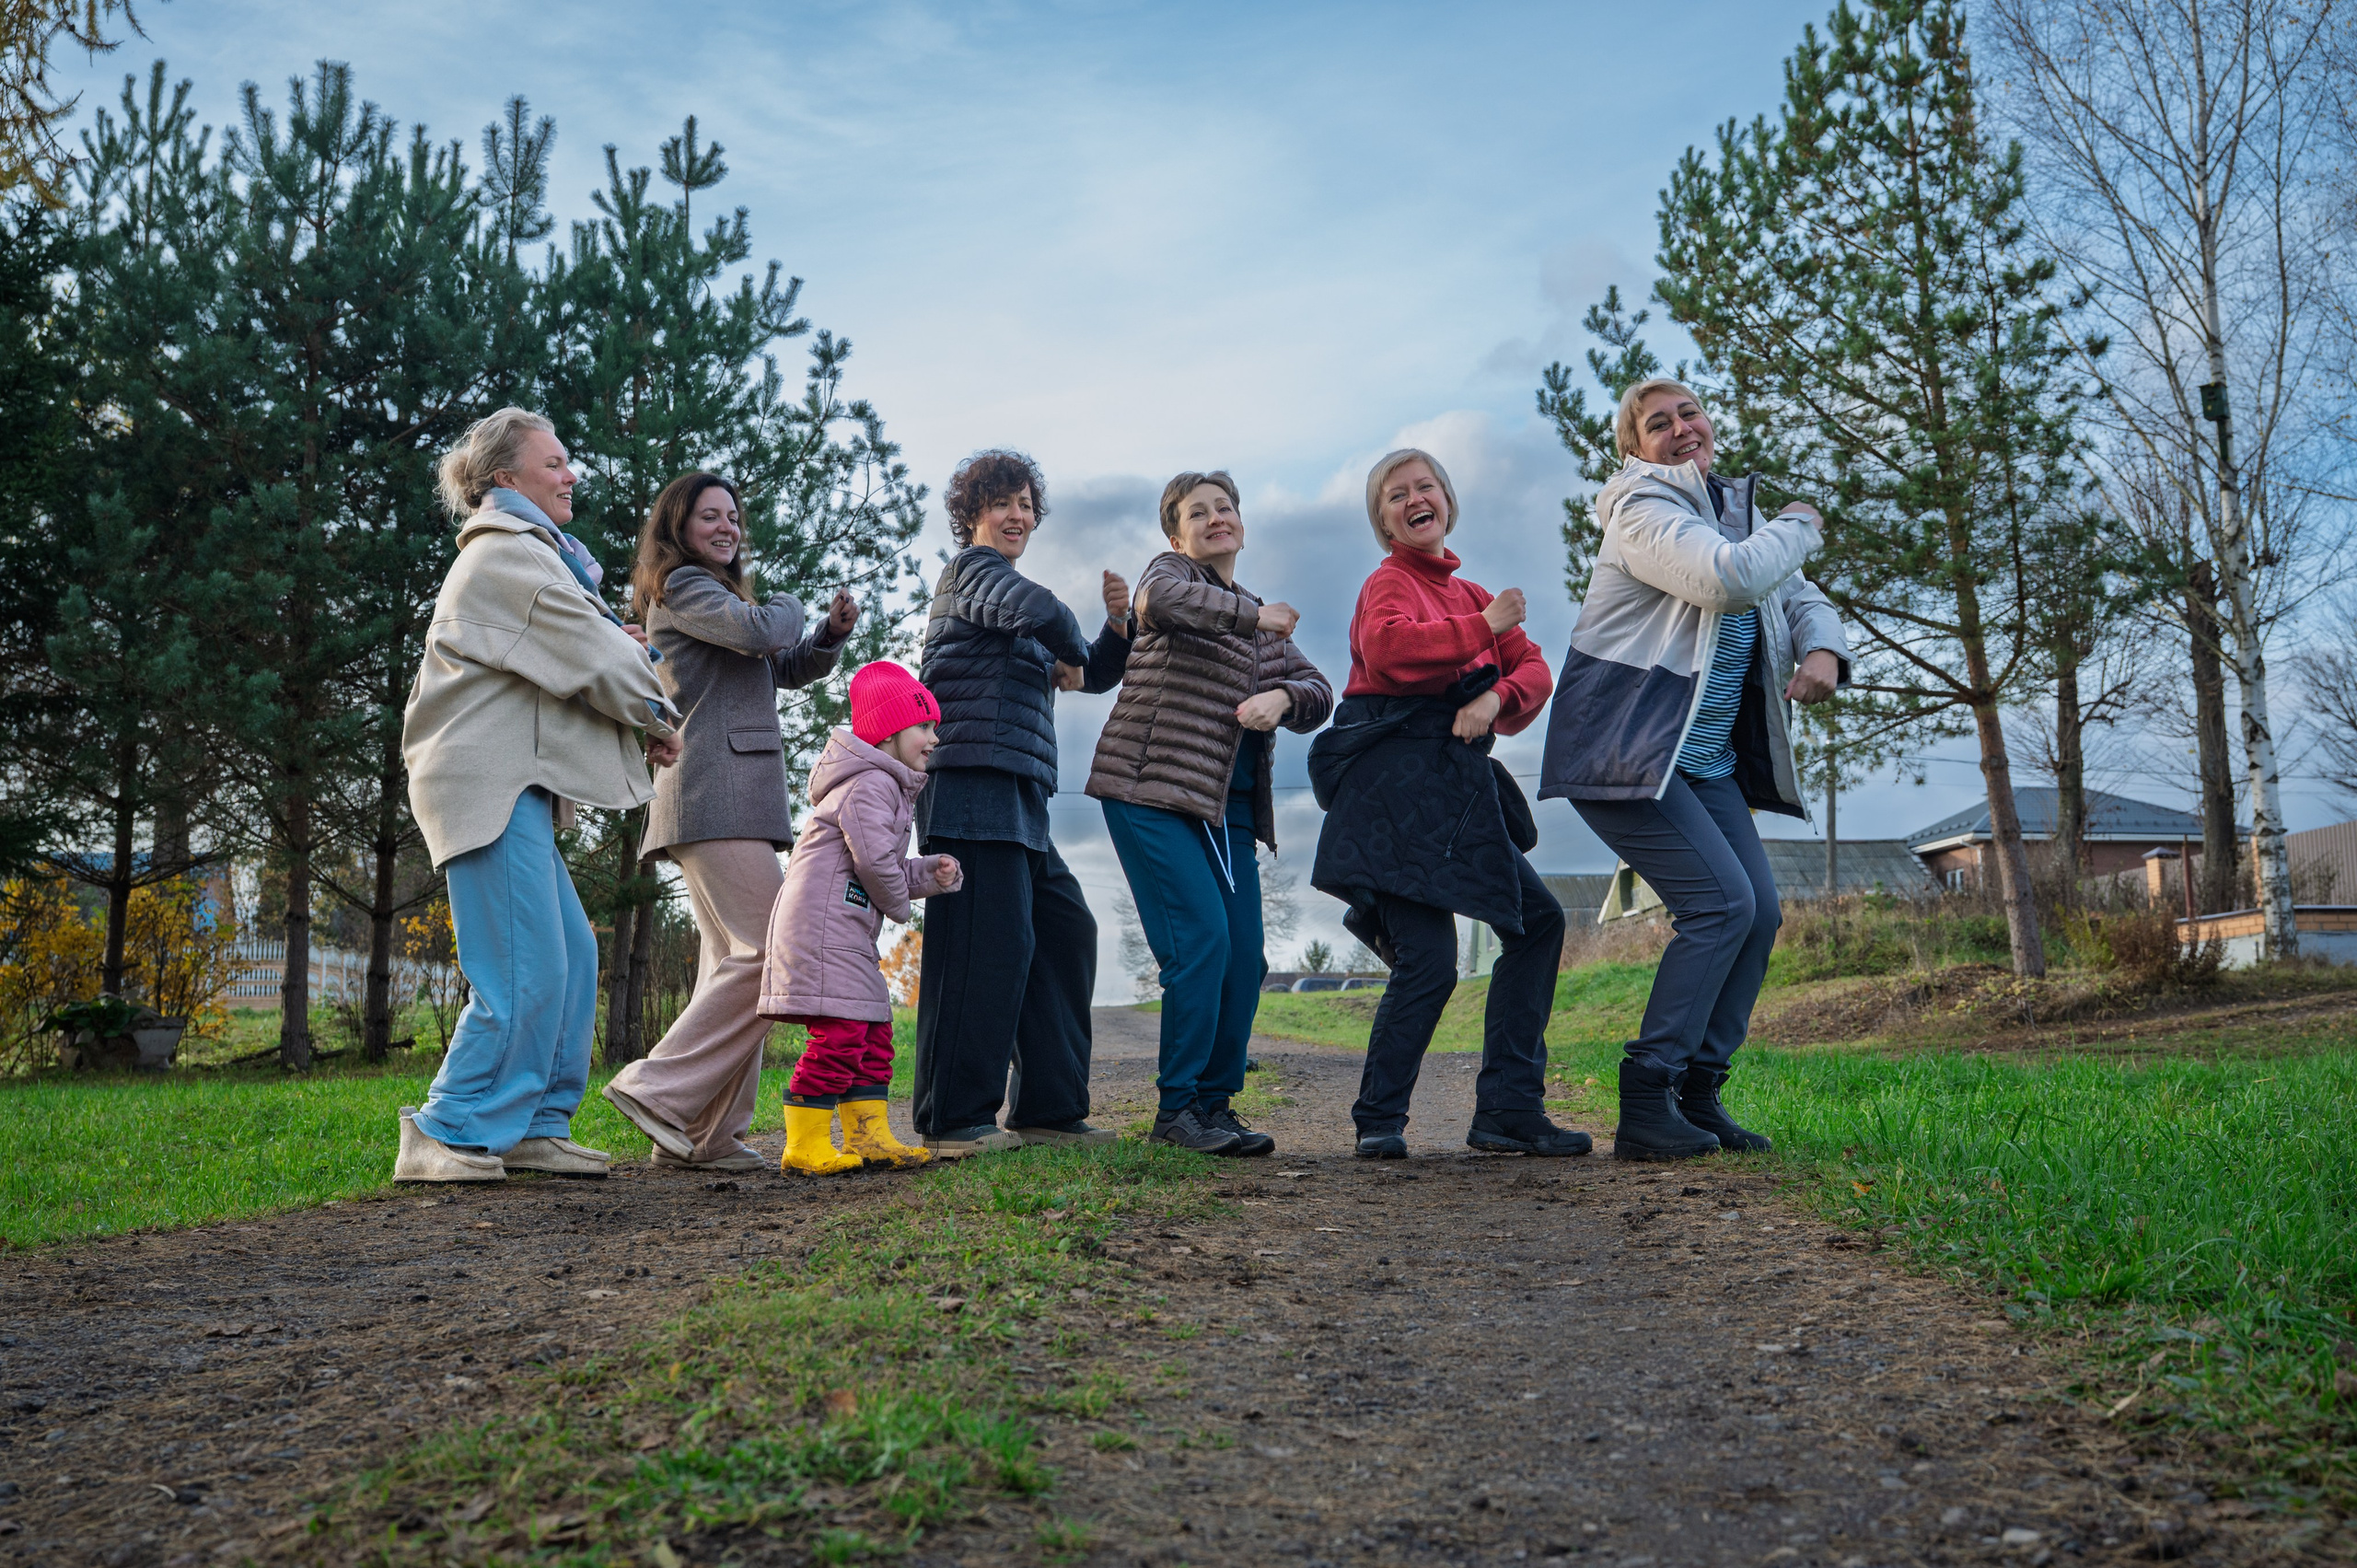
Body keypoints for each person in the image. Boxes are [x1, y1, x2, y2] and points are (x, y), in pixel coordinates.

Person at [1538, 378, 1848, 1160]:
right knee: (1719, 905)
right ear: (1635, 450)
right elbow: (1728, 578)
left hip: (1702, 764)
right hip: (1623, 752)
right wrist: (1800, 521)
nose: (1680, 428)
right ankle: (1648, 1094)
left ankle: (1699, 1092)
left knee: (1759, 913)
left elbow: (1796, 594)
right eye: (1658, 423)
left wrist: (1822, 648)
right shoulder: (1640, 508)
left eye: (1690, 413)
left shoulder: (1734, 515)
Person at [397, 407, 682, 1182]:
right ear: (505, 477)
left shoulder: (536, 555)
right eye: (553, 462)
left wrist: (633, 689)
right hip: (482, 781)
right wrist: (658, 716)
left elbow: (575, 658)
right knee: (523, 966)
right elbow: (590, 654)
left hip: (508, 779)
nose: (570, 474)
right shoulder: (507, 553)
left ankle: (531, 1123)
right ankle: (447, 1124)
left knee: (571, 955)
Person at [1310, 448, 1590, 1161]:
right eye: (1396, 494)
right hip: (1393, 797)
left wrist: (1497, 696)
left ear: (1447, 500)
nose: (1414, 499)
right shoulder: (1390, 583)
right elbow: (1389, 648)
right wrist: (1484, 628)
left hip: (1457, 795)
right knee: (1431, 958)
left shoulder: (1471, 594)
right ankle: (1379, 1118)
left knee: (1538, 922)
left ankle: (1509, 1110)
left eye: (1425, 486)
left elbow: (1536, 667)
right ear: (1384, 522)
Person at [598, 471, 854, 1173]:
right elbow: (764, 629)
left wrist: (829, 634)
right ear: (677, 527)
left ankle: (705, 1134)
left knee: (733, 964)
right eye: (710, 515)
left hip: (727, 795)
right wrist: (792, 603)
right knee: (774, 952)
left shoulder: (715, 599)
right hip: (714, 790)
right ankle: (655, 1087)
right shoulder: (683, 586)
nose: (727, 526)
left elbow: (779, 663)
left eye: (733, 516)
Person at [1087, 470, 1333, 1156]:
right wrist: (1255, 619)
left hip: (1229, 813)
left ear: (1242, 526)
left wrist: (1283, 699)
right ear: (1177, 536)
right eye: (1198, 513)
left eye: (1225, 508)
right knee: (1200, 942)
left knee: (1243, 957)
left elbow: (1319, 689)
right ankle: (1176, 1110)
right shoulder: (1171, 576)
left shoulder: (1260, 620)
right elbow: (1157, 602)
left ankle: (1213, 1106)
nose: (1216, 518)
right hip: (1149, 790)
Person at [911, 449, 1131, 1156]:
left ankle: (1049, 1109)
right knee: (984, 945)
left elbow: (1087, 669)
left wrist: (1116, 628)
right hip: (970, 782)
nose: (1018, 516)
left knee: (1065, 930)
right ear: (973, 513)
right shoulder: (973, 573)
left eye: (1027, 505)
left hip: (1020, 792)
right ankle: (952, 1117)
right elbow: (1042, 612)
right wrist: (1066, 638)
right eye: (1002, 502)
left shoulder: (1007, 610)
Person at [758, 662, 964, 1173]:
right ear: (889, 733)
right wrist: (901, 906)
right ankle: (803, 1145)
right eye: (924, 727)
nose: (934, 739)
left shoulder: (884, 785)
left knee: (872, 1033)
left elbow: (882, 865)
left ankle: (868, 1137)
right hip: (821, 932)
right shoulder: (871, 783)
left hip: (846, 931)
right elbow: (874, 865)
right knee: (841, 1034)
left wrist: (930, 873)